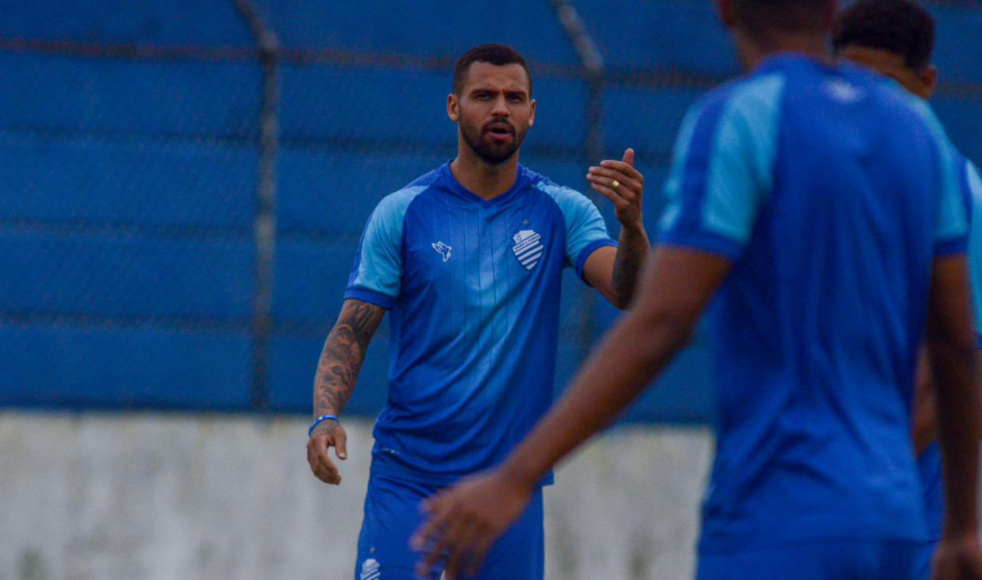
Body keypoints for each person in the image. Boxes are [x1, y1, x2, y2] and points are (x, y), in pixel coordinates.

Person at [412, 2, 982, 579]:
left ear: (725, 9)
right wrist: (962, 526)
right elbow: (959, 346)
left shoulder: (740, 118)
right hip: (894, 518)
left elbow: (662, 320)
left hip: (777, 512)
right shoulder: (919, 135)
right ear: (834, 11)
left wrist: (515, 475)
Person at [304, 43, 651, 580]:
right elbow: (353, 329)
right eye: (483, 95)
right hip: (409, 475)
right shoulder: (403, 212)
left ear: (532, 113)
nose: (500, 109)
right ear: (453, 106)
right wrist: (325, 415)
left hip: (508, 483)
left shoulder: (562, 210)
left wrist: (631, 227)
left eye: (515, 98)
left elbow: (628, 292)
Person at [832, 1, 982, 578]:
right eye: (849, 85)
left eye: (886, 87)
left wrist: (865, 486)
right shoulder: (838, 186)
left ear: (925, 85)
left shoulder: (955, 193)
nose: (866, 108)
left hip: (911, 515)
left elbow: (952, 371)